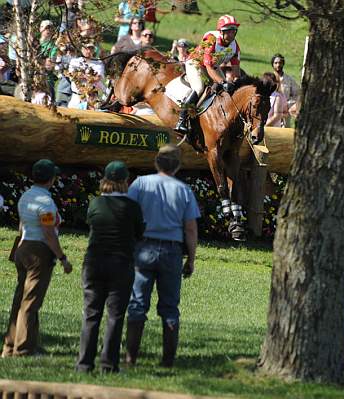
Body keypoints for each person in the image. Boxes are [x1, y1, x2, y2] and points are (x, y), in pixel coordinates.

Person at [125, 144, 200, 368]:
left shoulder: (139, 184)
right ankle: (168, 360)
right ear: (177, 166)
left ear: (156, 162)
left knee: (137, 303)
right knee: (169, 307)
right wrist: (191, 259)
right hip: (171, 251)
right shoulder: (184, 190)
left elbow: (128, 216)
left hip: (143, 248)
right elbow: (190, 228)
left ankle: (130, 358)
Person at [75, 161, 144, 373]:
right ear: (125, 182)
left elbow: (91, 223)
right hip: (120, 263)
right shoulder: (132, 206)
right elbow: (139, 232)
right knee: (115, 315)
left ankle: (84, 364)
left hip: (94, 262)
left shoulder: (95, 203)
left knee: (91, 314)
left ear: (105, 180)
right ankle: (108, 364)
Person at [2, 159, 73, 358]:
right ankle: (23, 350)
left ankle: (10, 346)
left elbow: (21, 226)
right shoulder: (45, 201)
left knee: (19, 300)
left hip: (23, 248)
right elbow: (49, 233)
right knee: (31, 302)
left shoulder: (26, 196)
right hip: (38, 252)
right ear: (51, 179)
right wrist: (63, 258)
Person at [176, 14, 241, 135]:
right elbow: (209, 68)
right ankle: (182, 119)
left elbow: (236, 71)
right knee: (199, 88)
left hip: (213, 66)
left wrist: (234, 83)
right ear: (221, 32)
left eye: (233, 31)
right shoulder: (211, 40)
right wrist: (222, 82)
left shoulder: (235, 46)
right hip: (195, 63)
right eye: (228, 32)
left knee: (226, 91)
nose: (231, 35)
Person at [67, 42, 105, 109]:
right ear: (81, 49)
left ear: (93, 50)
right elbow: (72, 76)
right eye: (86, 48)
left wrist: (81, 75)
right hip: (76, 97)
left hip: (91, 98)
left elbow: (98, 78)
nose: (88, 51)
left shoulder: (98, 63)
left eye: (90, 49)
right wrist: (87, 76)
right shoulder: (74, 61)